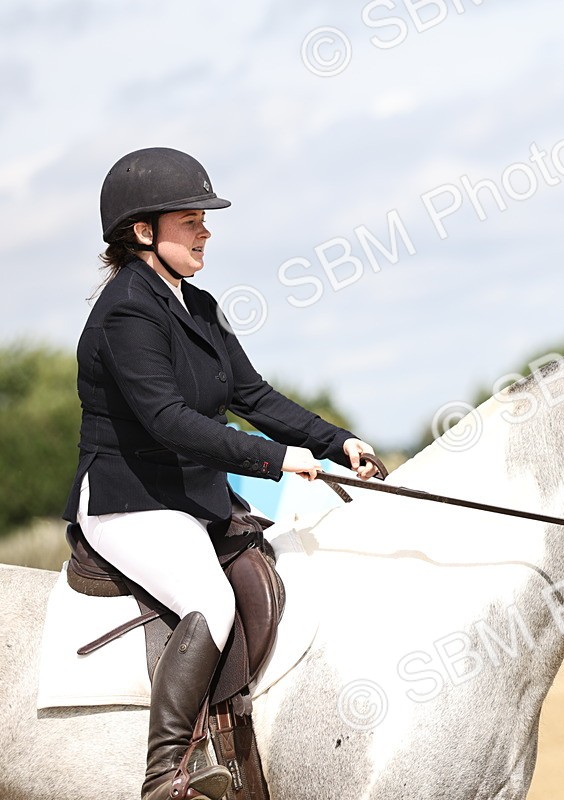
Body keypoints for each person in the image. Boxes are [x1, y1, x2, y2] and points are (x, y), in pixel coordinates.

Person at [61, 147, 378, 800]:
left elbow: (254, 398)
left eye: (204, 218)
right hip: (130, 501)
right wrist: (271, 458)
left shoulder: (196, 306)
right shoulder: (126, 312)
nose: (206, 229)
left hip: (187, 496)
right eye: (190, 219)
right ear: (141, 231)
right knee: (208, 598)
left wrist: (335, 442)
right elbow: (169, 422)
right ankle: (166, 774)